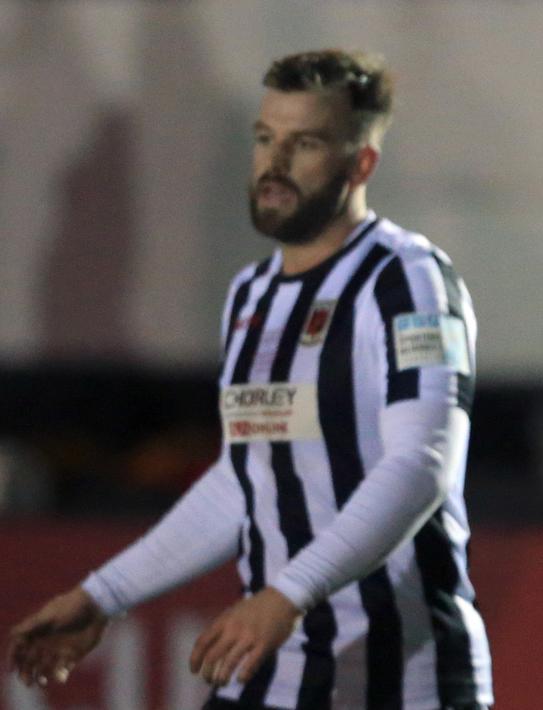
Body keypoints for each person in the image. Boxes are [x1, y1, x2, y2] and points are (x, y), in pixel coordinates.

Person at [8, 49, 493, 710]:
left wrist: (287, 593)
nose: (275, 162)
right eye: (266, 139)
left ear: (361, 163)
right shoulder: (250, 294)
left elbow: (422, 465)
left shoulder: (406, 279)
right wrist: (105, 594)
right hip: (272, 674)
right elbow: (249, 478)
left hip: (398, 680)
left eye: (306, 143)